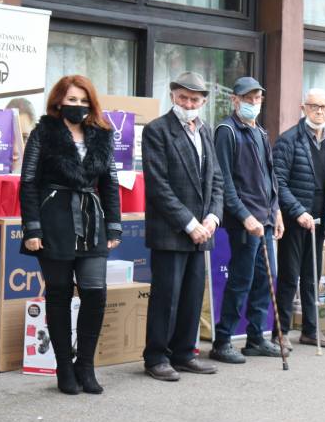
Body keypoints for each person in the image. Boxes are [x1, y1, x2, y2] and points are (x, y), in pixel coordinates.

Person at [19, 76, 122, 395]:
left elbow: (110, 182)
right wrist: (32, 228)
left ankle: (85, 366)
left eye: (83, 100)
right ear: (59, 101)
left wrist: (114, 225)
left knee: (95, 293)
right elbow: (28, 182)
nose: (78, 105)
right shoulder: (43, 132)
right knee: (59, 294)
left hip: (91, 221)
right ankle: (64, 367)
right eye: (72, 99)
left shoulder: (102, 134)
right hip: (54, 220)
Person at [142, 72, 224, 382]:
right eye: (183, 98)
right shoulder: (157, 130)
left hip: (202, 230)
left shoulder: (205, 131)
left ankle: (185, 353)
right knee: (166, 297)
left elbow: (217, 179)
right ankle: (156, 357)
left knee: (192, 296)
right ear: (173, 96)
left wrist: (213, 217)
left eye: (194, 100)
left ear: (203, 101)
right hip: (171, 230)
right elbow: (158, 185)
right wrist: (189, 223)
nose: (188, 104)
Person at [209, 77, 285, 364]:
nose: (253, 103)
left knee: (266, 279)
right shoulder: (227, 131)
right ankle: (223, 340)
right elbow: (224, 182)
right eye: (247, 98)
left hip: (265, 218)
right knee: (241, 279)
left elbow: (270, 177)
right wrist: (245, 216)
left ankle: (255, 338)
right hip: (245, 221)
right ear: (235, 100)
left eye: (257, 98)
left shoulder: (261, 132)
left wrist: (276, 211)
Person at [272, 88, 325, 350]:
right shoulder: (288, 140)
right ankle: (280, 333)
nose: (319, 111)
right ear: (303, 108)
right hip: (294, 221)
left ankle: (311, 331)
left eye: (324, 107)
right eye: (314, 106)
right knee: (289, 278)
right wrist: (298, 211)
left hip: (319, 222)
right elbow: (278, 182)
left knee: (313, 279)